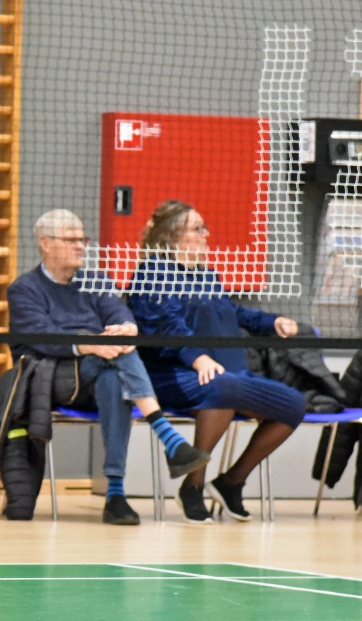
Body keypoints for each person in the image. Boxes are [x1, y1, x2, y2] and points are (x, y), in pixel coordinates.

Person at [8, 209, 213, 526]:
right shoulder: (24, 289)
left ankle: (115, 495)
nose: (81, 246)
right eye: (71, 240)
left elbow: (118, 312)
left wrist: (127, 328)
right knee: (116, 359)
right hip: (54, 377)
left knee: (114, 381)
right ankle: (168, 438)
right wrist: (91, 343)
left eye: (83, 239)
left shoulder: (96, 281)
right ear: (45, 244)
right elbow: (42, 337)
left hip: (99, 373)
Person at [128, 199, 306, 523]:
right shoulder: (152, 273)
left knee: (293, 405)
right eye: (198, 229)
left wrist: (272, 322)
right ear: (172, 236)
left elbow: (233, 312)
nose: (206, 234)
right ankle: (193, 486)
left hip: (223, 375)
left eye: (204, 227)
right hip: (171, 375)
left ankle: (231, 482)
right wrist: (197, 359)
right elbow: (166, 327)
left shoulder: (206, 275)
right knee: (220, 387)